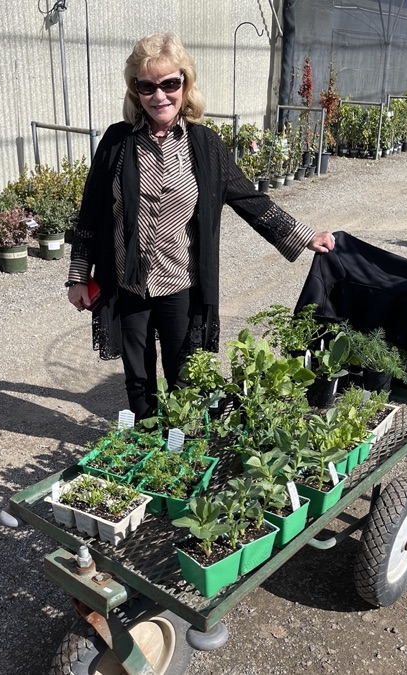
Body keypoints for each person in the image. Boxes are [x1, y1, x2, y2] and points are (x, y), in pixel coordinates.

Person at [65, 33, 335, 421]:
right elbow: (90, 213)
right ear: (135, 91)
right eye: (147, 86)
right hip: (128, 282)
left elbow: (250, 200)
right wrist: (78, 277)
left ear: (185, 85)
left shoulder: (205, 145)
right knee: (137, 374)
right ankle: (145, 441)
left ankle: (181, 449)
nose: (160, 96)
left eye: (170, 84)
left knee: (183, 377)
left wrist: (304, 235)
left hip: (180, 282)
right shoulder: (116, 142)